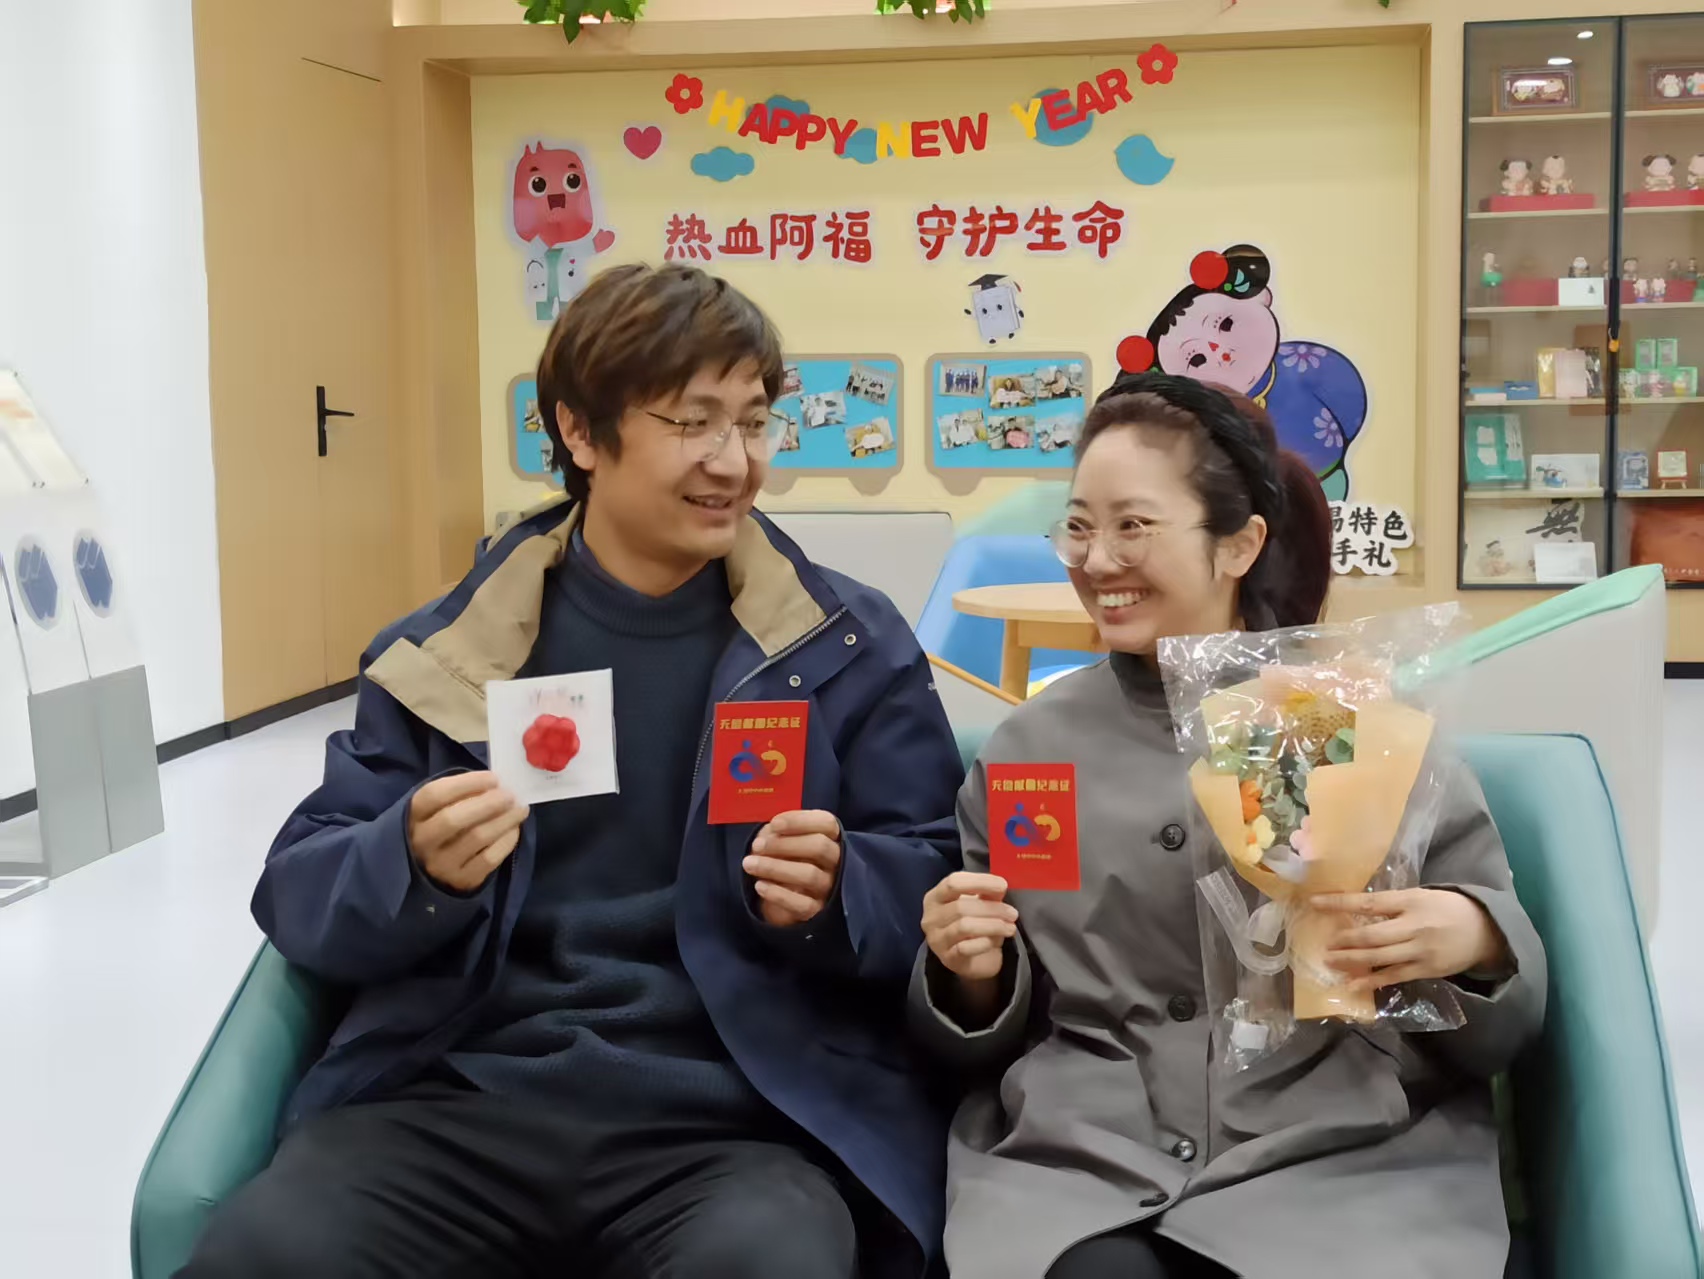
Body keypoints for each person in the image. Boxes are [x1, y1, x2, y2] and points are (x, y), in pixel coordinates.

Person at [180, 263, 964, 1279]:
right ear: (582, 434)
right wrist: (412, 863)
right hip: (460, 1097)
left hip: (737, 1119)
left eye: (755, 422)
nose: (735, 461)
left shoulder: (845, 646)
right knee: (267, 1251)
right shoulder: (452, 653)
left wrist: (839, 891)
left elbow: (941, 878)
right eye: (694, 422)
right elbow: (300, 892)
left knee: (772, 1259)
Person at [910, 371, 1546, 1279]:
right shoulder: (1029, 748)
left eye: (1134, 525)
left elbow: (1505, 1014)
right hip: (1085, 1160)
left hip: (1333, 1156)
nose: (1098, 561)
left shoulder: (1345, 719)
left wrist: (1472, 937)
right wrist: (968, 974)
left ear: (1240, 543)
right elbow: (993, 1019)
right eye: (1079, 527)